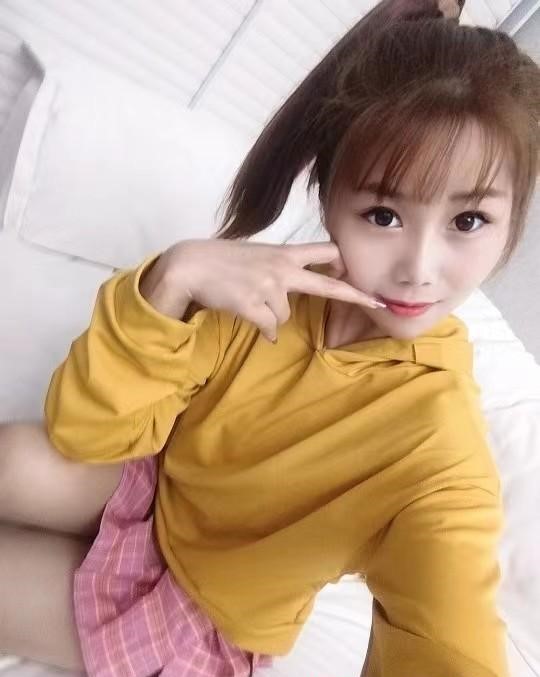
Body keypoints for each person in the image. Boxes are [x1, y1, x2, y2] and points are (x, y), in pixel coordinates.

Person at [1, 0, 539, 674]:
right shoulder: (264, 294)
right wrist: (172, 278)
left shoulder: (440, 449)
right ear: (329, 196)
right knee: (11, 458)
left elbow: (451, 632)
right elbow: (87, 431)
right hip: (155, 488)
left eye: (468, 221)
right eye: (382, 214)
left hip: (199, 611)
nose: (419, 269)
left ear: (513, 222)